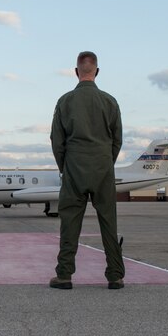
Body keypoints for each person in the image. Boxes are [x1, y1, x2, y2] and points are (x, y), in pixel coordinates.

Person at [49, 51, 125, 290]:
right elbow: (117, 140)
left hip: (74, 166)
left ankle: (64, 275)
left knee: (70, 222)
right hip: (102, 167)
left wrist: (65, 167)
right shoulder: (110, 101)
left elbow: (56, 140)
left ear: (76, 71)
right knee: (108, 222)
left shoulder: (65, 101)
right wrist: (105, 162)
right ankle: (115, 275)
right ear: (97, 71)